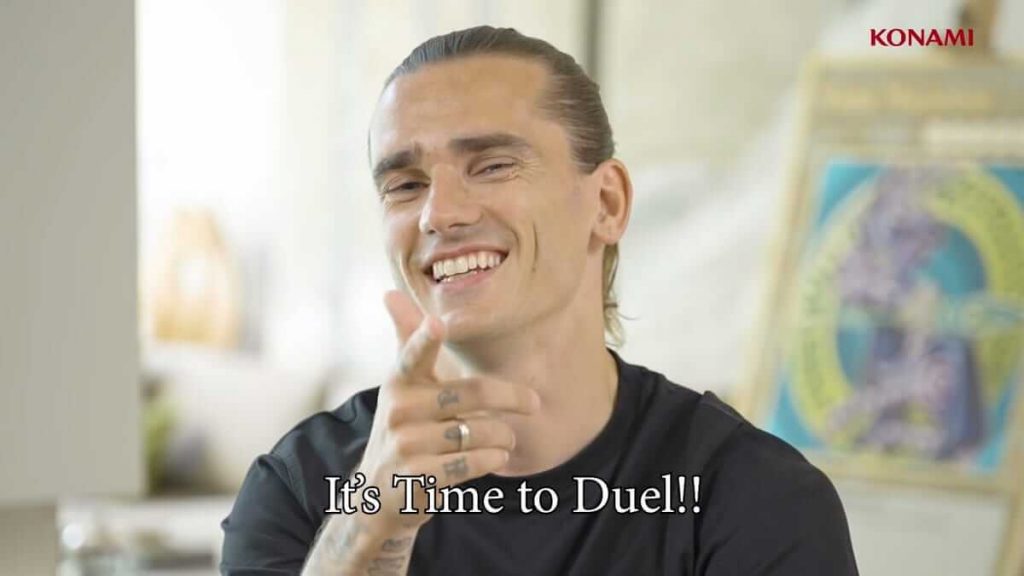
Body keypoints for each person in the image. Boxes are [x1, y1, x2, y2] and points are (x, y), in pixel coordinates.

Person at [220, 26, 859, 576]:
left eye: (492, 165)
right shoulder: (299, 491)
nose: (439, 213)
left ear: (607, 203)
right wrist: (367, 528)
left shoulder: (754, 499)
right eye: (406, 185)